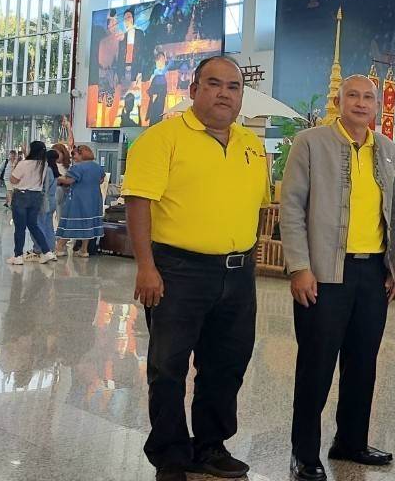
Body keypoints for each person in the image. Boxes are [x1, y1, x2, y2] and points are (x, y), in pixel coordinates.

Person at [121, 55, 269, 481]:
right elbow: (138, 202)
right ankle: (169, 453)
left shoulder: (251, 144)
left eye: (233, 87)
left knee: (227, 363)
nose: (224, 93)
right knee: (168, 364)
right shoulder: (162, 138)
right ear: (194, 90)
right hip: (178, 270)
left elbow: (256, 205)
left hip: (238, 273)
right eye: (214, 84)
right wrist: (146, 267)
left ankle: (210, 446)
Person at [279, 75, 395, 481]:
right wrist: (299, 267)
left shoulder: (386, 149)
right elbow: (291, 207)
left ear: (376, 105)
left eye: (369, 97)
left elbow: (392, 211)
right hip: (325, 272)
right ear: (338, 100)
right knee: (316, 365)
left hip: (373, 272)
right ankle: (304, 453)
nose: (361, 103)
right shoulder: (310, 143)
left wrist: (393, 266)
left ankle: (351, 441)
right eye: (353, 95)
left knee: (363, 363)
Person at [8, 141, 56, 266]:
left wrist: (14, 166)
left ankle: (18, 255)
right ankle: (46, 251)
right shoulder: (43, 164)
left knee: (20, 227)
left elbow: (13, 180)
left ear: (32, 150)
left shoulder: (23, 164)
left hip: (21, 196)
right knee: (33, 225)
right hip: (36, 197)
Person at [56, 145, 106, 257]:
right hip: (94, 198)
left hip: (79, 198)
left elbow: (69, 180)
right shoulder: (97, 167)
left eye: (74, 154)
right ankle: (84, 250)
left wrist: (56, 177)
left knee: (71, 222)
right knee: (88, 224)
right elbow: (101, 180)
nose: (73, 157)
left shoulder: (77, 168)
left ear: (81, 154)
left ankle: (59, 247)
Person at [52, 143, 73, 254]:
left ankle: (62, 241)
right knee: (57, 217)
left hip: (64, 192)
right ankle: (59, 241)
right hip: (56, 193)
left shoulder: (68, 167)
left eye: (58, 153)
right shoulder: (52, 165)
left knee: (62, 217)